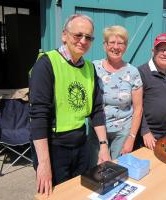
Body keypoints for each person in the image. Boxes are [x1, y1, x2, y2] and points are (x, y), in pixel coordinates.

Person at [29, 14, 111, 196]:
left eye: (88, 37)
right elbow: (38, 116)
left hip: (81, 145)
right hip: (54, 148)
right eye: (78, 35)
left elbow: (97, 110)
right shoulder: (46, 64)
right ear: (64, 35)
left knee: (79, 193)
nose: (83, 41)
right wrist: (43, 163)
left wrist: (104, 146)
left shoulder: (90, 68)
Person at [88, 25, 143, 163]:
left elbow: (138, 109)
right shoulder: (93, 68)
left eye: (120, 43)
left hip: (122, 131)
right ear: (104, 45)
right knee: (96, 169)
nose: (116, 47)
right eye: (111, 42)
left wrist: (131, 137)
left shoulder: (133, 72)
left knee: (117, 169)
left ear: (125, 46)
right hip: (97, 131)